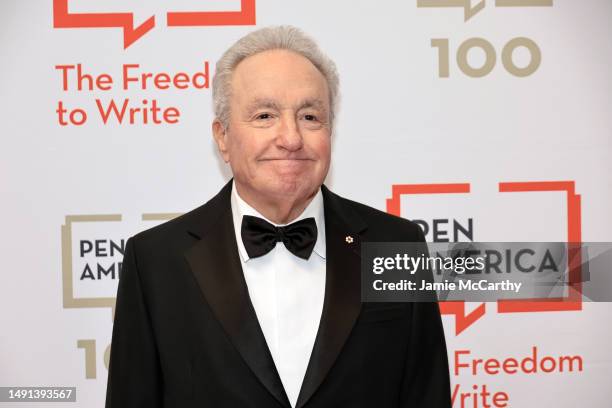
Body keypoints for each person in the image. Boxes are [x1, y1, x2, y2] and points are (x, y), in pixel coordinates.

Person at [105, 25, 450, 408]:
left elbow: (425, 392)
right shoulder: (155, 261)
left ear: (330, 130)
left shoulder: (394, 244)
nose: (290, 138)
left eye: (309, 116)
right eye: (265, 115)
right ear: (222, 137)